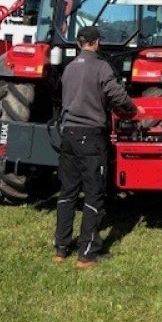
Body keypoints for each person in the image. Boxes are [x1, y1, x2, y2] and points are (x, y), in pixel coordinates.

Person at [54, 25, 140, 269]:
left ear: (80, 43)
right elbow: (117, 95)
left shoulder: (69, 68)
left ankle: (61, 248)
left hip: (68, 135)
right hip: (90, 137)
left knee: (67, 192)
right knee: (94, 193)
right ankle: (87, 253)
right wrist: (132, 110)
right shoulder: (101, 67)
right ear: (97, 42)